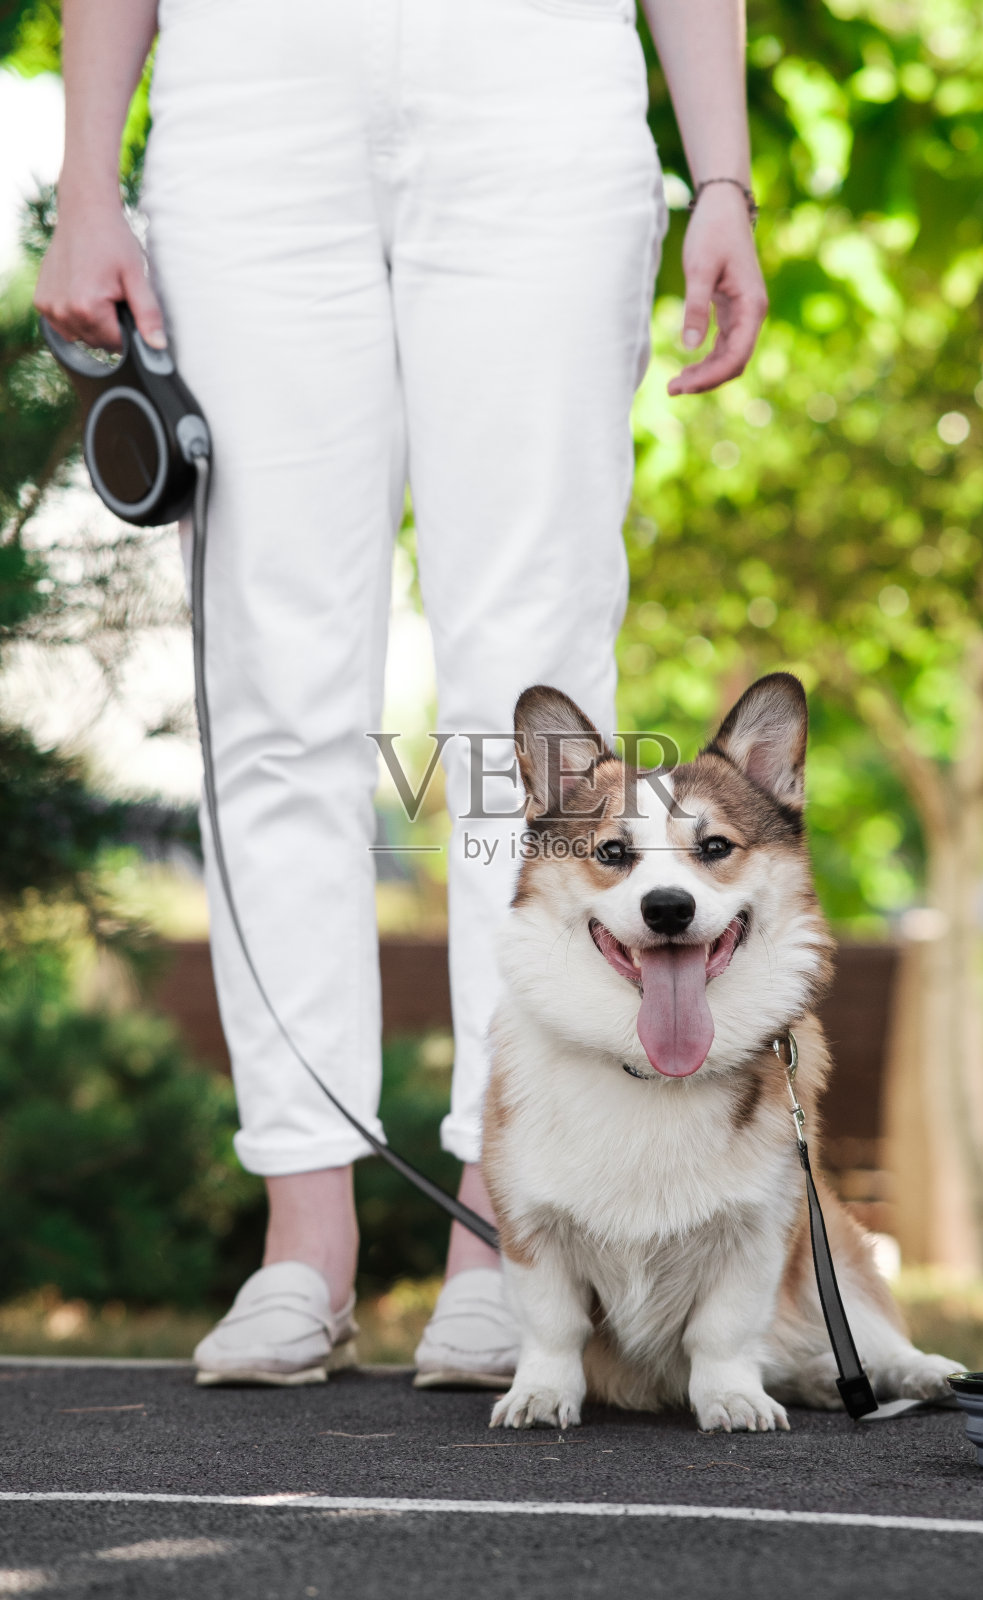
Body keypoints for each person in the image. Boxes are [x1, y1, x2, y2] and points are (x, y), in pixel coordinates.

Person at [35, 0, 767, 1387]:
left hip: (534, 86)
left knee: (531, 703)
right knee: (273, 680)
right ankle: (302, 1240)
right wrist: (88, 177)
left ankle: (505, 1235)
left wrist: (720, 172)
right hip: (249, 96)